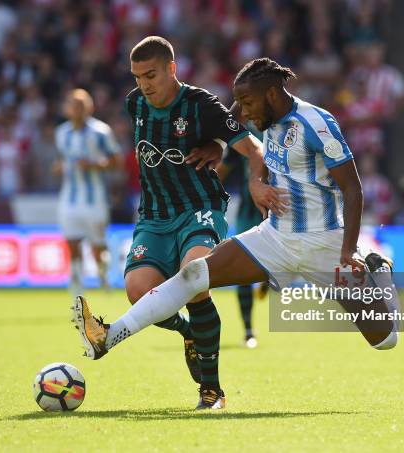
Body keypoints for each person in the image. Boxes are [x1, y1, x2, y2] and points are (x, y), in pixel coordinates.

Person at [72, 37, 272, 410]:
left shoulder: (201, 104)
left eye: (151, 75)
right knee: (137, 290)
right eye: (137, 77)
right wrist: (216, 144)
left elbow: (253, 148)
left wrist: (252, 179)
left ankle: (211, 392)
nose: (143, 85)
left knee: (194, 278)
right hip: (154, 215)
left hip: (199, 208)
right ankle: (189, 334)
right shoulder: (135, 104)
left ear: (171, 69)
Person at [54, 89, 122, 296]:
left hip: (95, 199)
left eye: (82, 104)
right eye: (73, 104)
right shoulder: (61, 133)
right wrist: (57, 168)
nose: (77, 109)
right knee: (72, 242)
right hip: (69, 198)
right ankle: (76, 283)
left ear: (90, 107)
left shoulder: (101, 132)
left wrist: (94, 165)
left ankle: (102, 274)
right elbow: (61, 161)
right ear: (67, 108)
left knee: (97, 245)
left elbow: (116, 161)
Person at [216, 124, 268, 349]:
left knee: (273, 265)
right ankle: (248, 331)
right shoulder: (243, 137)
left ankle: (268, 277)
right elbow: (224, 168)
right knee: (242, 268)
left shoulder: (286, 129)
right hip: (249, 211)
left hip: (280, 210)